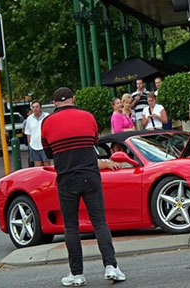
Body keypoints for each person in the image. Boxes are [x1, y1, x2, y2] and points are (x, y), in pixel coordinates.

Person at [41, 87, 126, 287]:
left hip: (67, 178)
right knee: (99, 222)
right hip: (90, 176)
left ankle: (77, 273)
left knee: (71, 226)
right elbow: (93, 142)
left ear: (54, 104)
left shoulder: (47, 123)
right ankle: (111, 266)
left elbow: (48, 153)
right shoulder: (88, 117)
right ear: (73, 99)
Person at [24, 100, 51, 167]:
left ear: (40, 108)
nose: (35, 109)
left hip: (44, 146)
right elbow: (28, 132)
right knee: (38, 166)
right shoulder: (29, 119)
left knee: (47, 165)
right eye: (33, 107)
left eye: (37, 107)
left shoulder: (47, 116)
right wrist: (29, 144)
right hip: (34, 146)